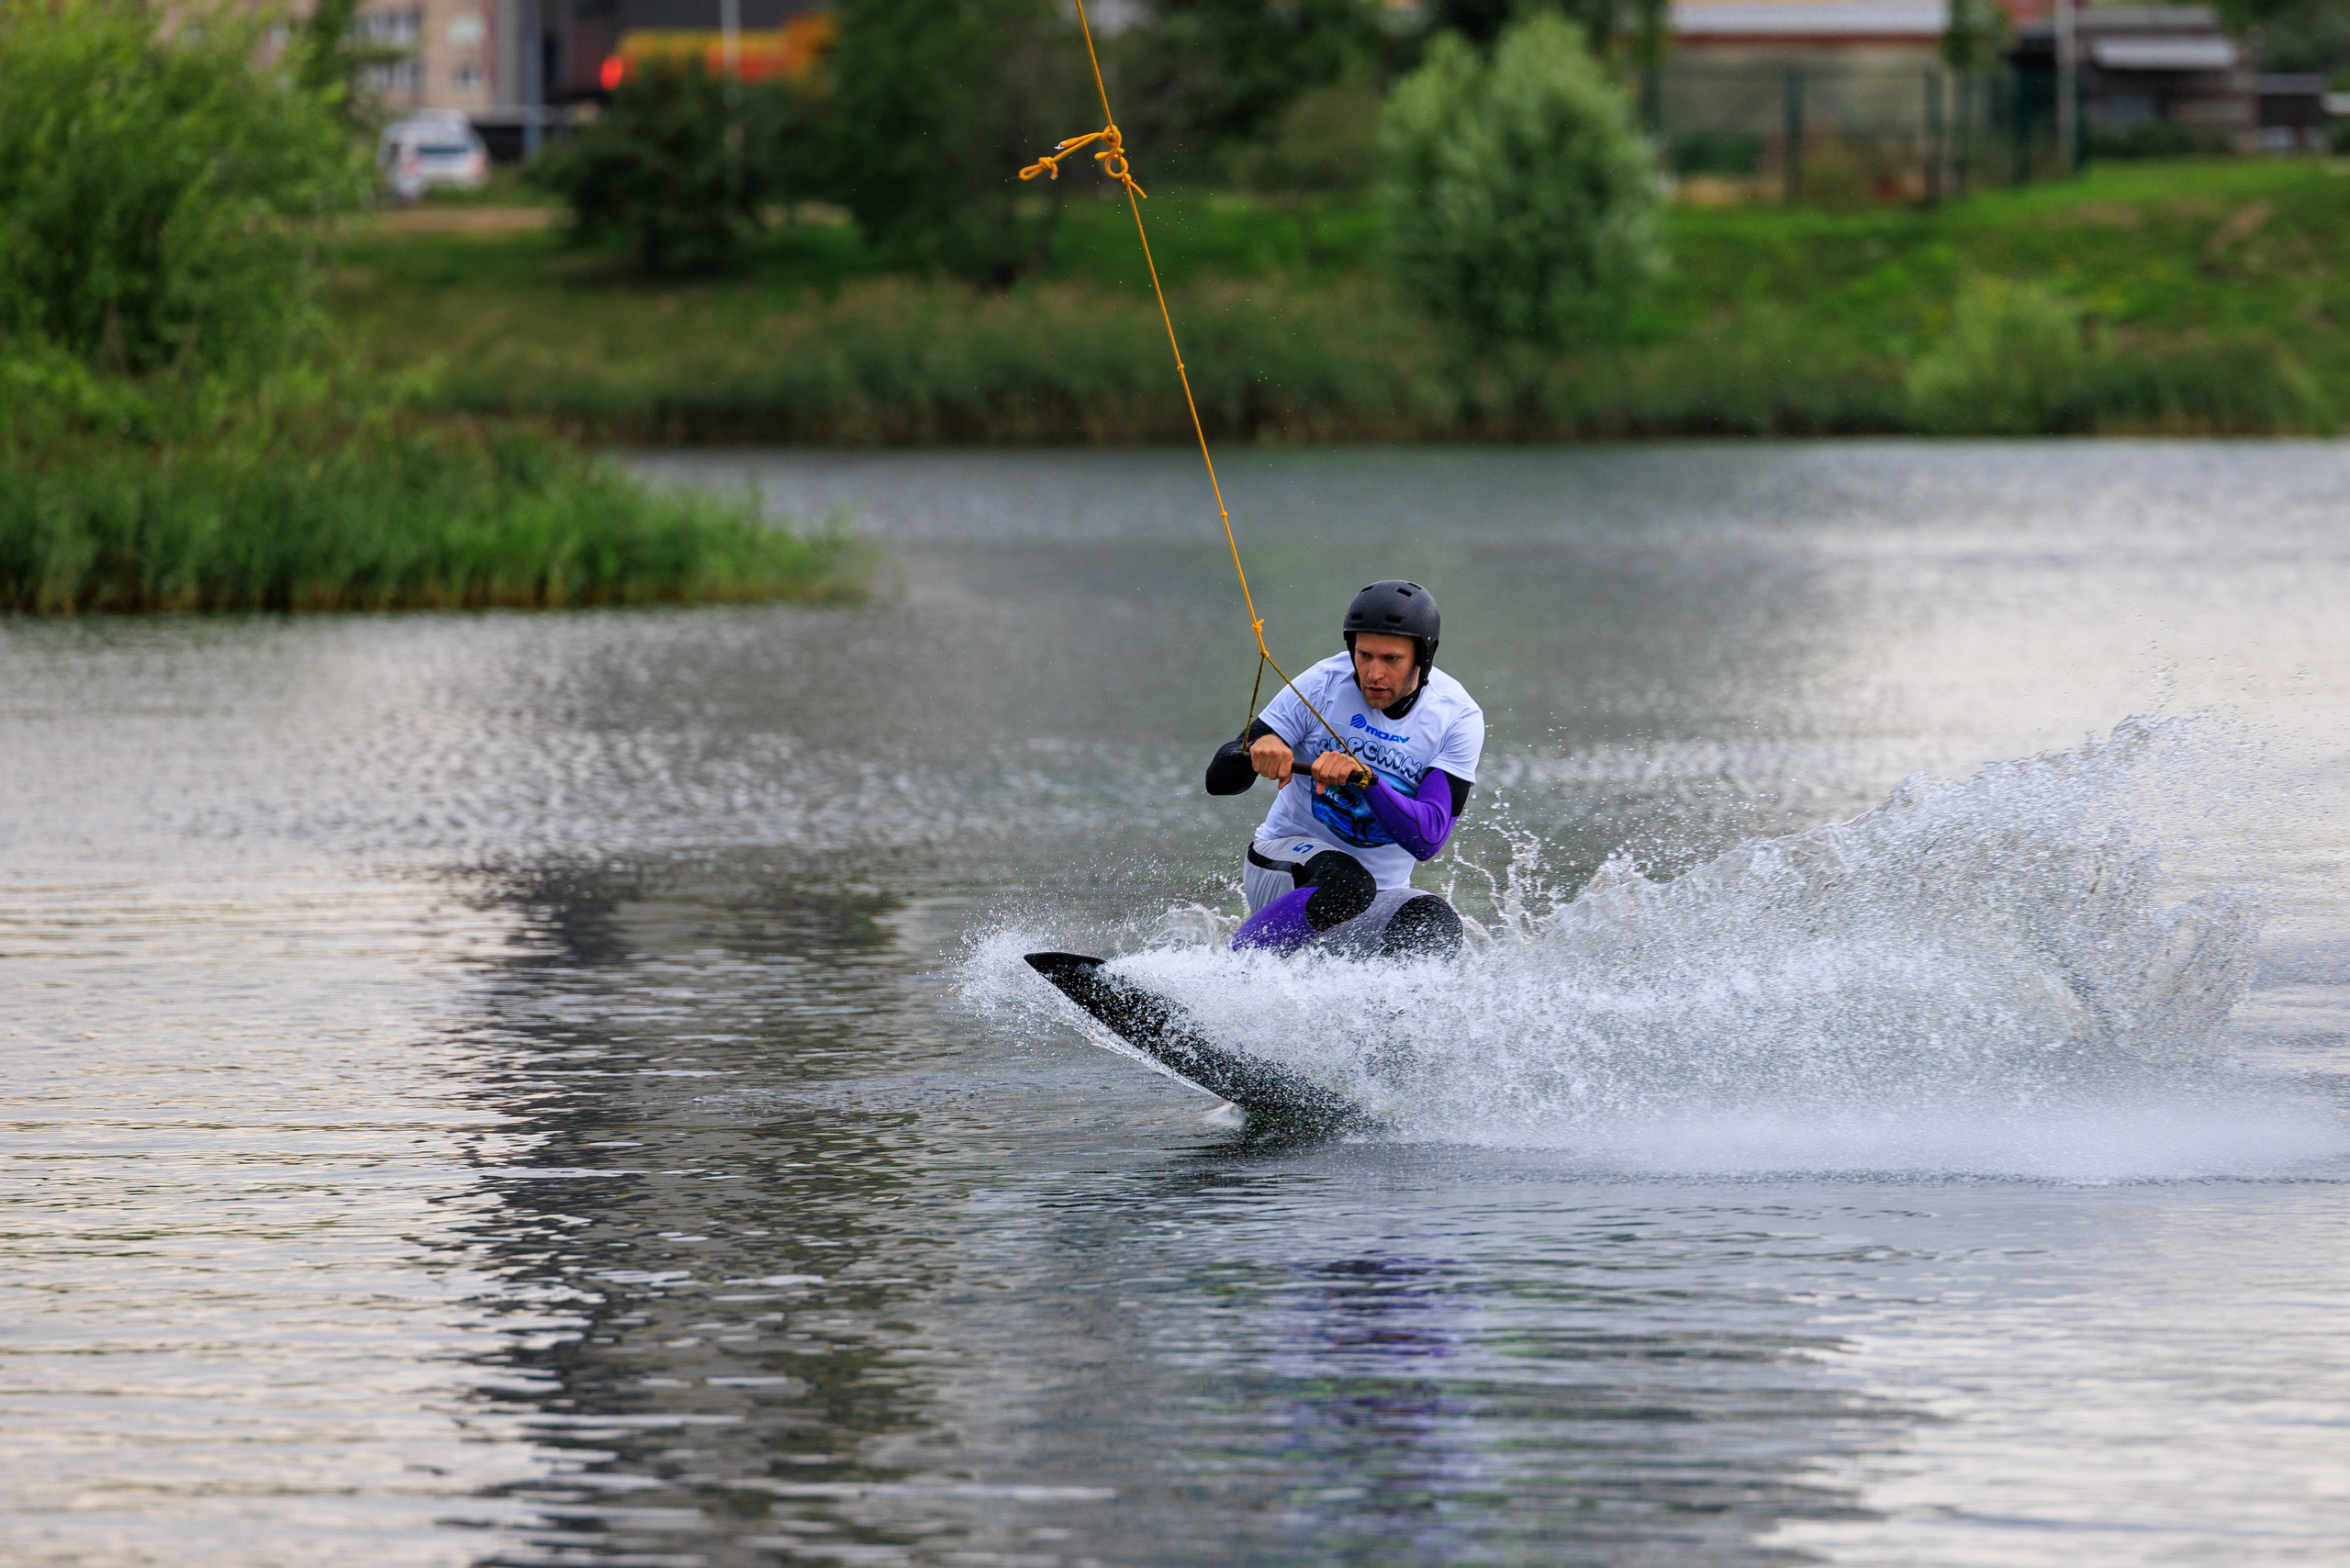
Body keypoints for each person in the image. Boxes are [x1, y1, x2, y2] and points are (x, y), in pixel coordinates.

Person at [1203, 580, 1483, 959]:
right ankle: (1222, 975)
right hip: (1283, 864)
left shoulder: (1457, 718)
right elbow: (1218, 781)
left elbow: (1428, 839)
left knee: (1432, 922)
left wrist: (1365, 778)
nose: (1373, 673)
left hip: (1376, 897)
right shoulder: (1322, 683)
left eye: (1391, 659)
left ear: (1423, 657)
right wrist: (1255, 748)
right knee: (1348, 885)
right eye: (1364, 654)